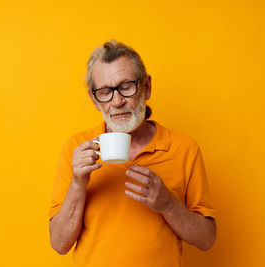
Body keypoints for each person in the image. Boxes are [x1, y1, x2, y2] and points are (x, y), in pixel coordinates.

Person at [48, 40, 217, 267]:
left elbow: (207, 239)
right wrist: (78, 183)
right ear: (94, 100)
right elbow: (59, 244)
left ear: (146, 87)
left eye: (126, 86)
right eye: (105, 92)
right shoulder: (77, 148)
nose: (117, 101)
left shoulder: (184, 148)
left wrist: (168, 204)